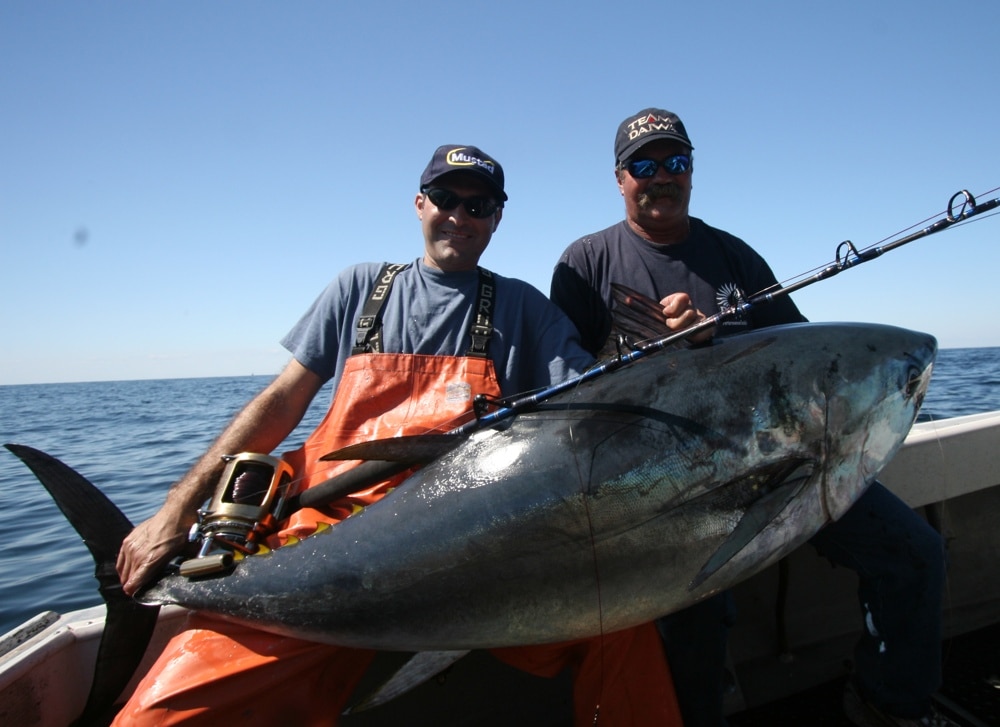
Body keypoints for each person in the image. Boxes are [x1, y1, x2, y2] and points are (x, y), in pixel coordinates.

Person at [112, 143, 682, 726]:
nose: (460, 216)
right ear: (418, 203)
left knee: (625, 632)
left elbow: (599, 409)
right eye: (445, 198)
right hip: (324, 546)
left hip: (475, 554)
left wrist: (673, 348)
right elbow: (281, 403)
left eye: (479, 205)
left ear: (497, 218)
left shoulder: (524, 309)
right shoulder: (359, 290)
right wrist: (175, 511)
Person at [550, 108, 955, 727]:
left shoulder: (734, 258)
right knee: (695, 614)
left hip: (780, 466)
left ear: (693, 171)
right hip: (662, 489)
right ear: (619, 178)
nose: (661, 177)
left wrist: (710, 346)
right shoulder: (586, 263)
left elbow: (802, 357)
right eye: (644, 165)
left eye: (675, 163)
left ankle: (890, 702)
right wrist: (651, 360)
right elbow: (562, 397)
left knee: (916, 552)